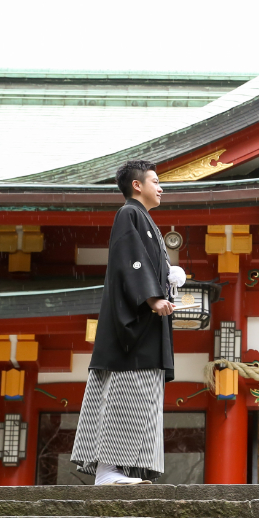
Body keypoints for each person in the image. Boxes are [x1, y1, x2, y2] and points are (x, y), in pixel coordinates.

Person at [70, 160, 182, 485]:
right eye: (156, 181)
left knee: (142, 394)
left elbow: (146, 263)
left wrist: (171, 277)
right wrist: (152, 297)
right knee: (124, 392)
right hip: (132, 324)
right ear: (137, 185)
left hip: (146, 325)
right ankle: (108, 470)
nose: (161, 188)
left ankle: (123, 470)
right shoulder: (129, 214)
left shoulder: (145, 220)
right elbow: (129, 259)